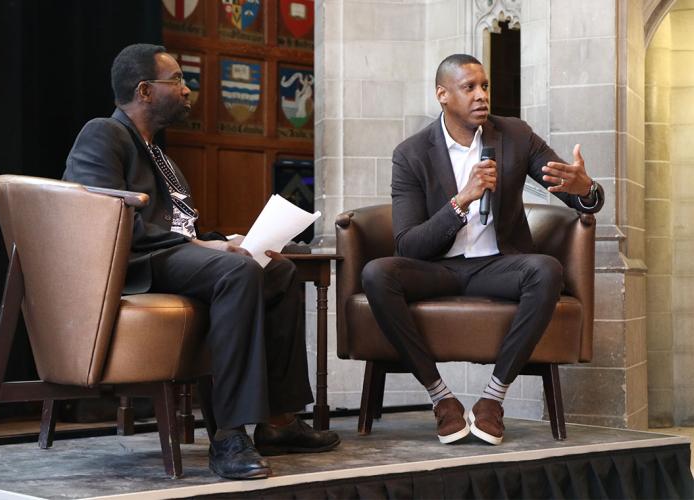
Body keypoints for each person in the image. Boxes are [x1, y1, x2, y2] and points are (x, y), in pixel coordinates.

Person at [63, 43, 339, 480]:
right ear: (145, 90)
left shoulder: (163, 157)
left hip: (171, 254)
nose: (187, 89)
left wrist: (222, 239)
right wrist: (208, 251)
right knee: (238, 270)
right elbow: (98, 217)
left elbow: (181, 229)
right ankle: (228, 435)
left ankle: (278, 421)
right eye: (177, 80)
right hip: (137, 264)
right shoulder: (104, 133)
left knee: (279, 269)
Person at [361, 54, 604, 446]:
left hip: (498, 264)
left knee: (546, 270)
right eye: (469, 88)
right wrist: (461, 201)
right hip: (437, 269)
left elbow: (577, 195)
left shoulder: (515, 135)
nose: (481, 96)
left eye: (485, 86)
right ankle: (442, 399)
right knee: (377, 273)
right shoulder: (411, 153)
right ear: (442, 94)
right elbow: (408, 244)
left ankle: (493, 400)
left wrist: (586, 191)